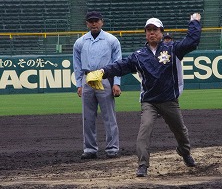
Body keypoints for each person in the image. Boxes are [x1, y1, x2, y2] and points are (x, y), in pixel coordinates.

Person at [88, 12, 201, 177]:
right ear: (145, 33)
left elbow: (192, 41)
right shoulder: (139, 55)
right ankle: (142, 165)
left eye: (155, 29)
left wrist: (194, 22)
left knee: (180, 132)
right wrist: (102, 71)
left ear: (161, 32)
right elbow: (121, 66)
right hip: (149, 102)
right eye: (148, 30)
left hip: (169, 100)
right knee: (144, 132)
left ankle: (185, 153)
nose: (152, 33)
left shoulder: (173, 49)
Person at [73, 11, 122, 160]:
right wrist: (78, 84)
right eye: (91, 21)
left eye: (96, 20)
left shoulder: (111, 40)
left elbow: (118, 62)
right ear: (87, 23)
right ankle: (89, 149)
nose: (94, 23)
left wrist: (117, 83)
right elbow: (77, 64)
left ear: (102, 22)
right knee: (87, 117)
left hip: (105, 78)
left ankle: (112, 148)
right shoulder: (80, 42)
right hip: (87, 79)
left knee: (109, 117)